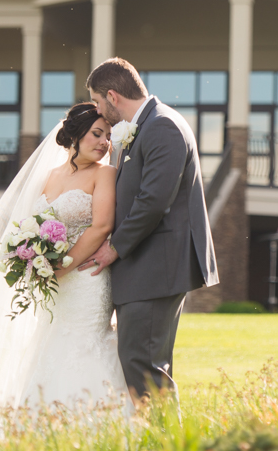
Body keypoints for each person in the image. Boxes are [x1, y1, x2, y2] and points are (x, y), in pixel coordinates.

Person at [0, 103, 130, 421]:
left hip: (87, 278)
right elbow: (28, 226)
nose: (105, 142)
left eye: (108, 136)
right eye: (97, 134)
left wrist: (64, 266)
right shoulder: (48, 176)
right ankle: (43, 423)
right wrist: (33, 260)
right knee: (50, 343)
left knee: (85, 341)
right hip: (54, 283)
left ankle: (95, 421)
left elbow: (102, 226)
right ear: (74, 136)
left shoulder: (105, 173)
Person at [80, 58, 218, 400]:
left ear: (112, 96)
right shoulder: (144, 127)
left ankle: (167, 450)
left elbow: (154, 200)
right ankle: (159, 446)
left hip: (156, 266)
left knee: (145, 367)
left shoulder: (162, 126)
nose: (97, 109)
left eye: (97, 101)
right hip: (146, 268)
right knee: (139, 363)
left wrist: (114, 247)